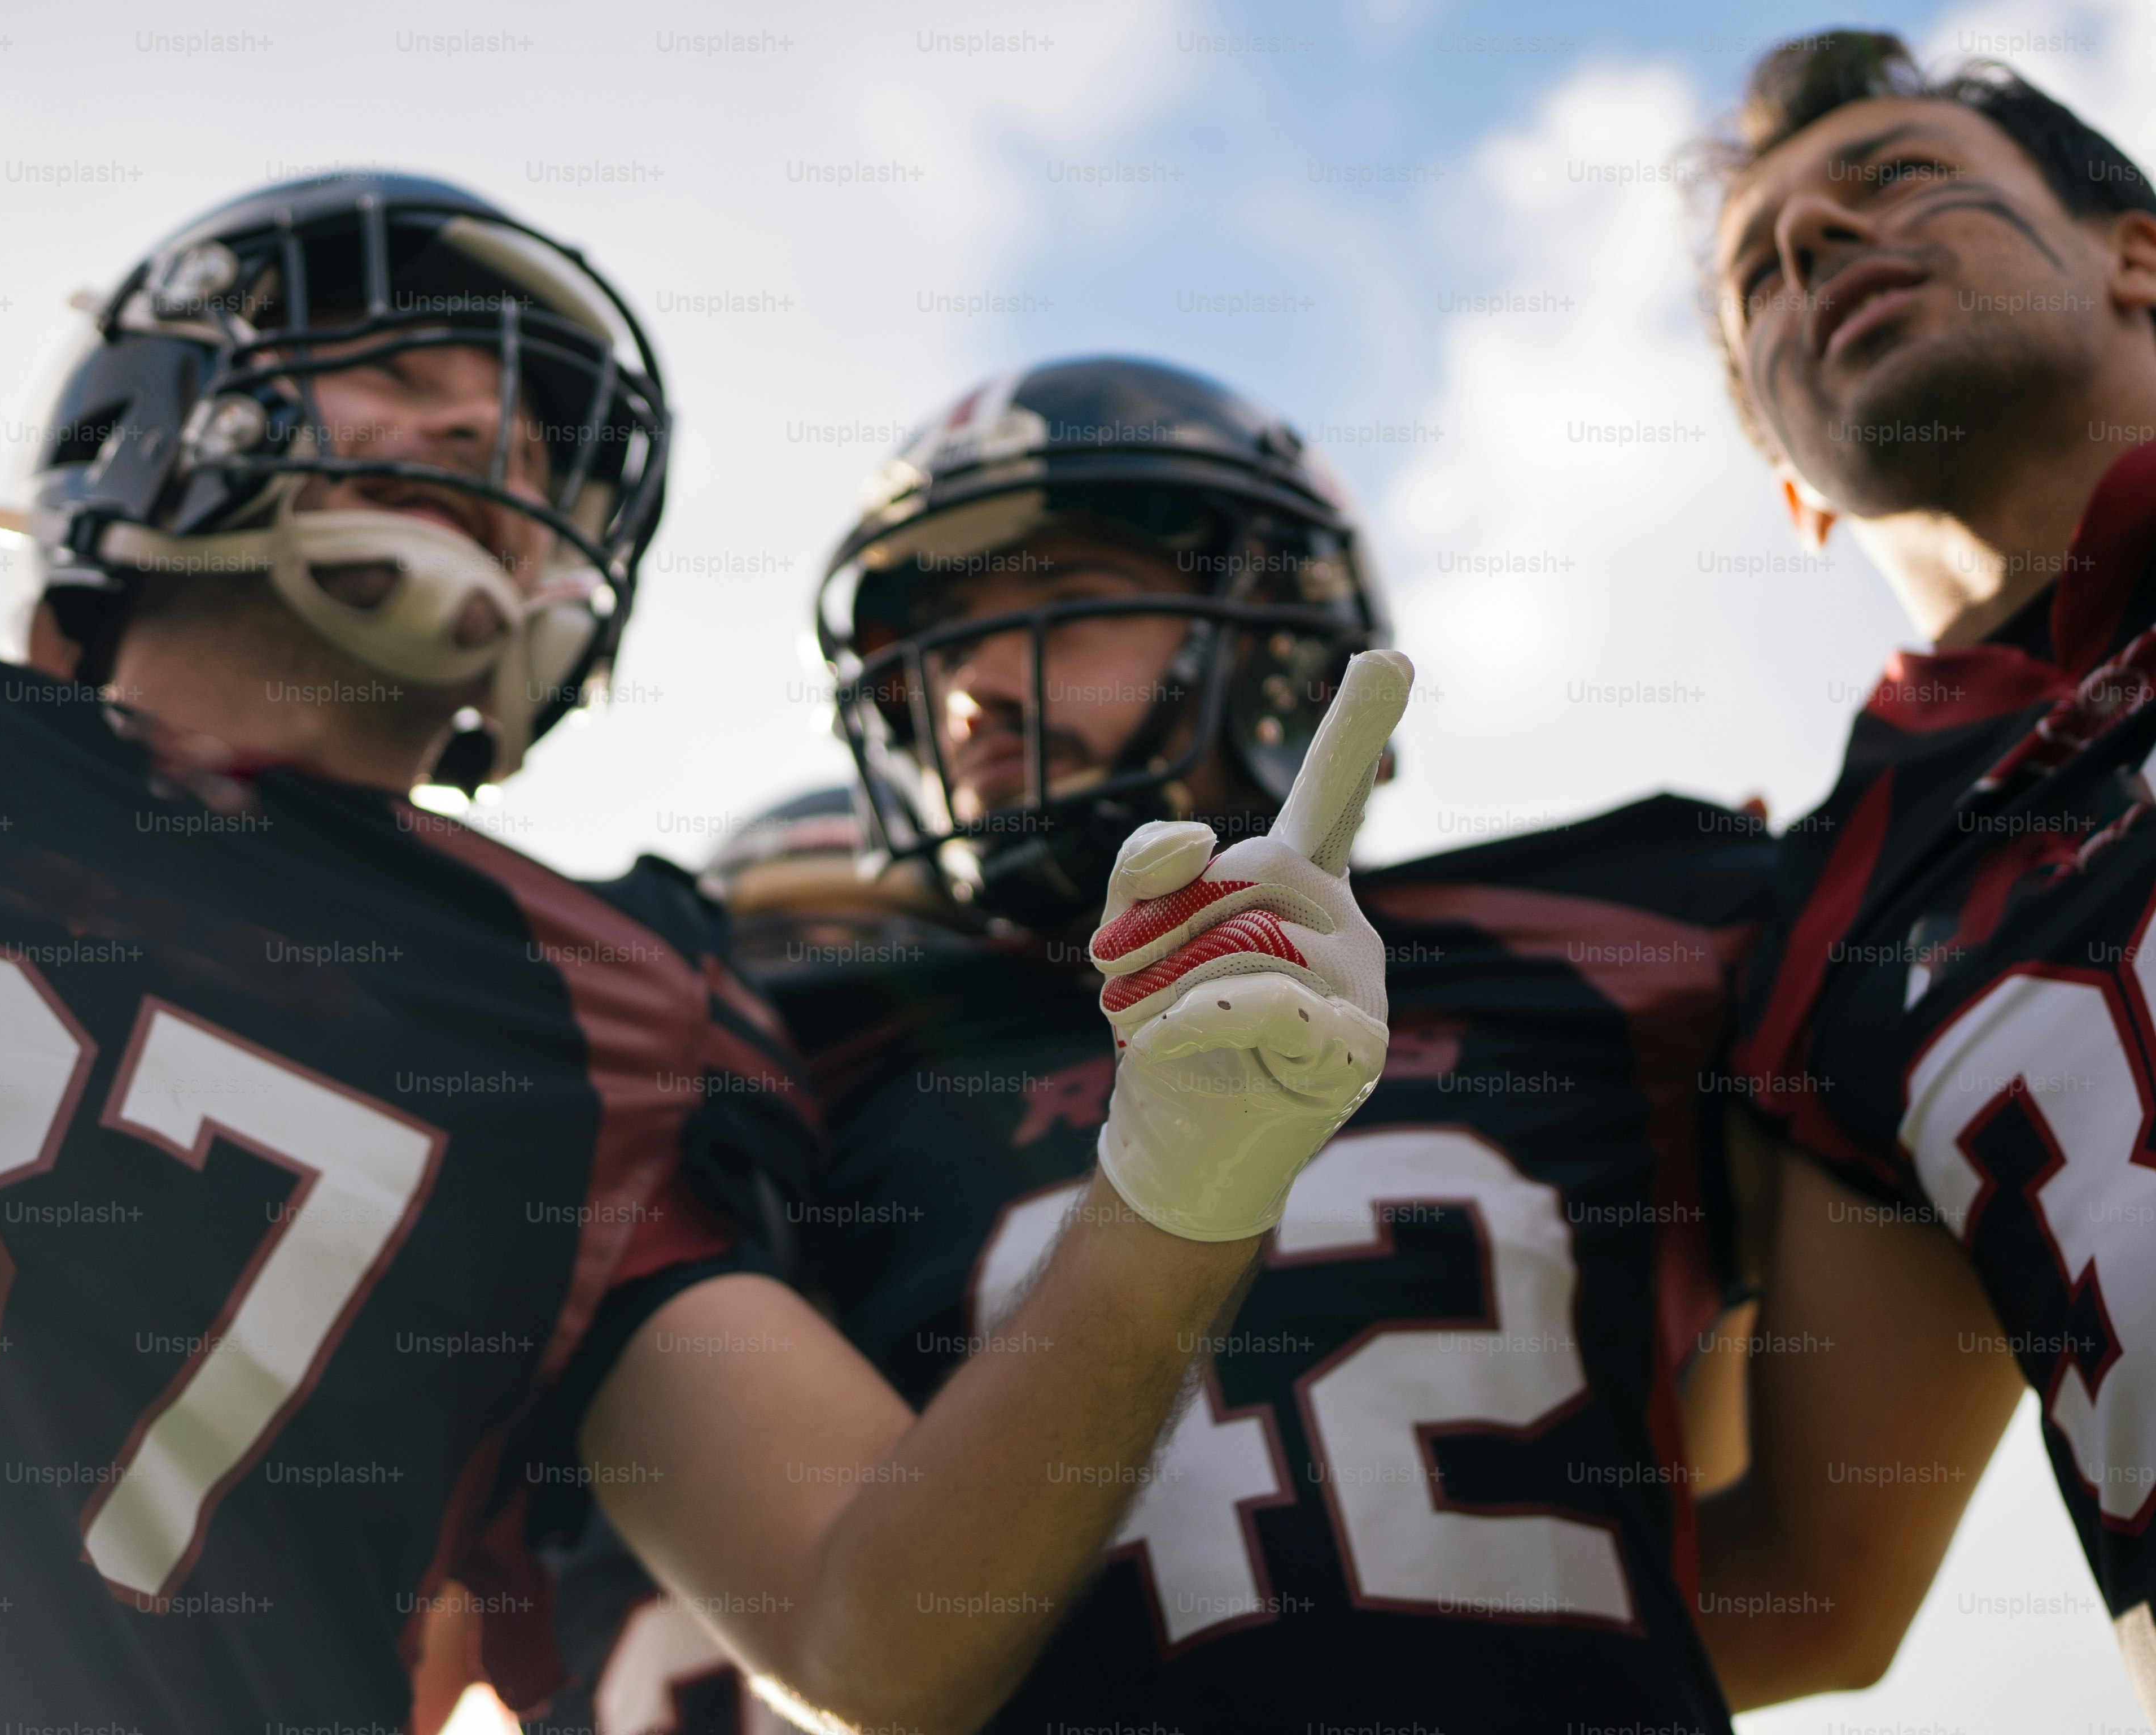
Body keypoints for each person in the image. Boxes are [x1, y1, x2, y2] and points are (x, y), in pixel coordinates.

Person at [0, 182, 1403, 1735]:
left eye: (527, 434)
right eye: (405, 374)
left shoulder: (610, 1003)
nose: (482, 437)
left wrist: (1178, 1191)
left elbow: (872, 1624)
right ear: (149, 407)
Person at [524, 356, 1776, 1734]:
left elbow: (1806, 1575)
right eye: (941, 643)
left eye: (1061, 605)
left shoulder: (1617, 943)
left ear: (1283, 636)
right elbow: (858, 1639)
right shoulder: (794, 1067)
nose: (975, 693)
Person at [1689, 29, 2156, 1710]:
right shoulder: (1818, 928)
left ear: (2141, 254)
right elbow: (1809, 1584)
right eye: (1762, 268)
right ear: (1787, 483)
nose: (1811, 243)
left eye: (1892, 176)